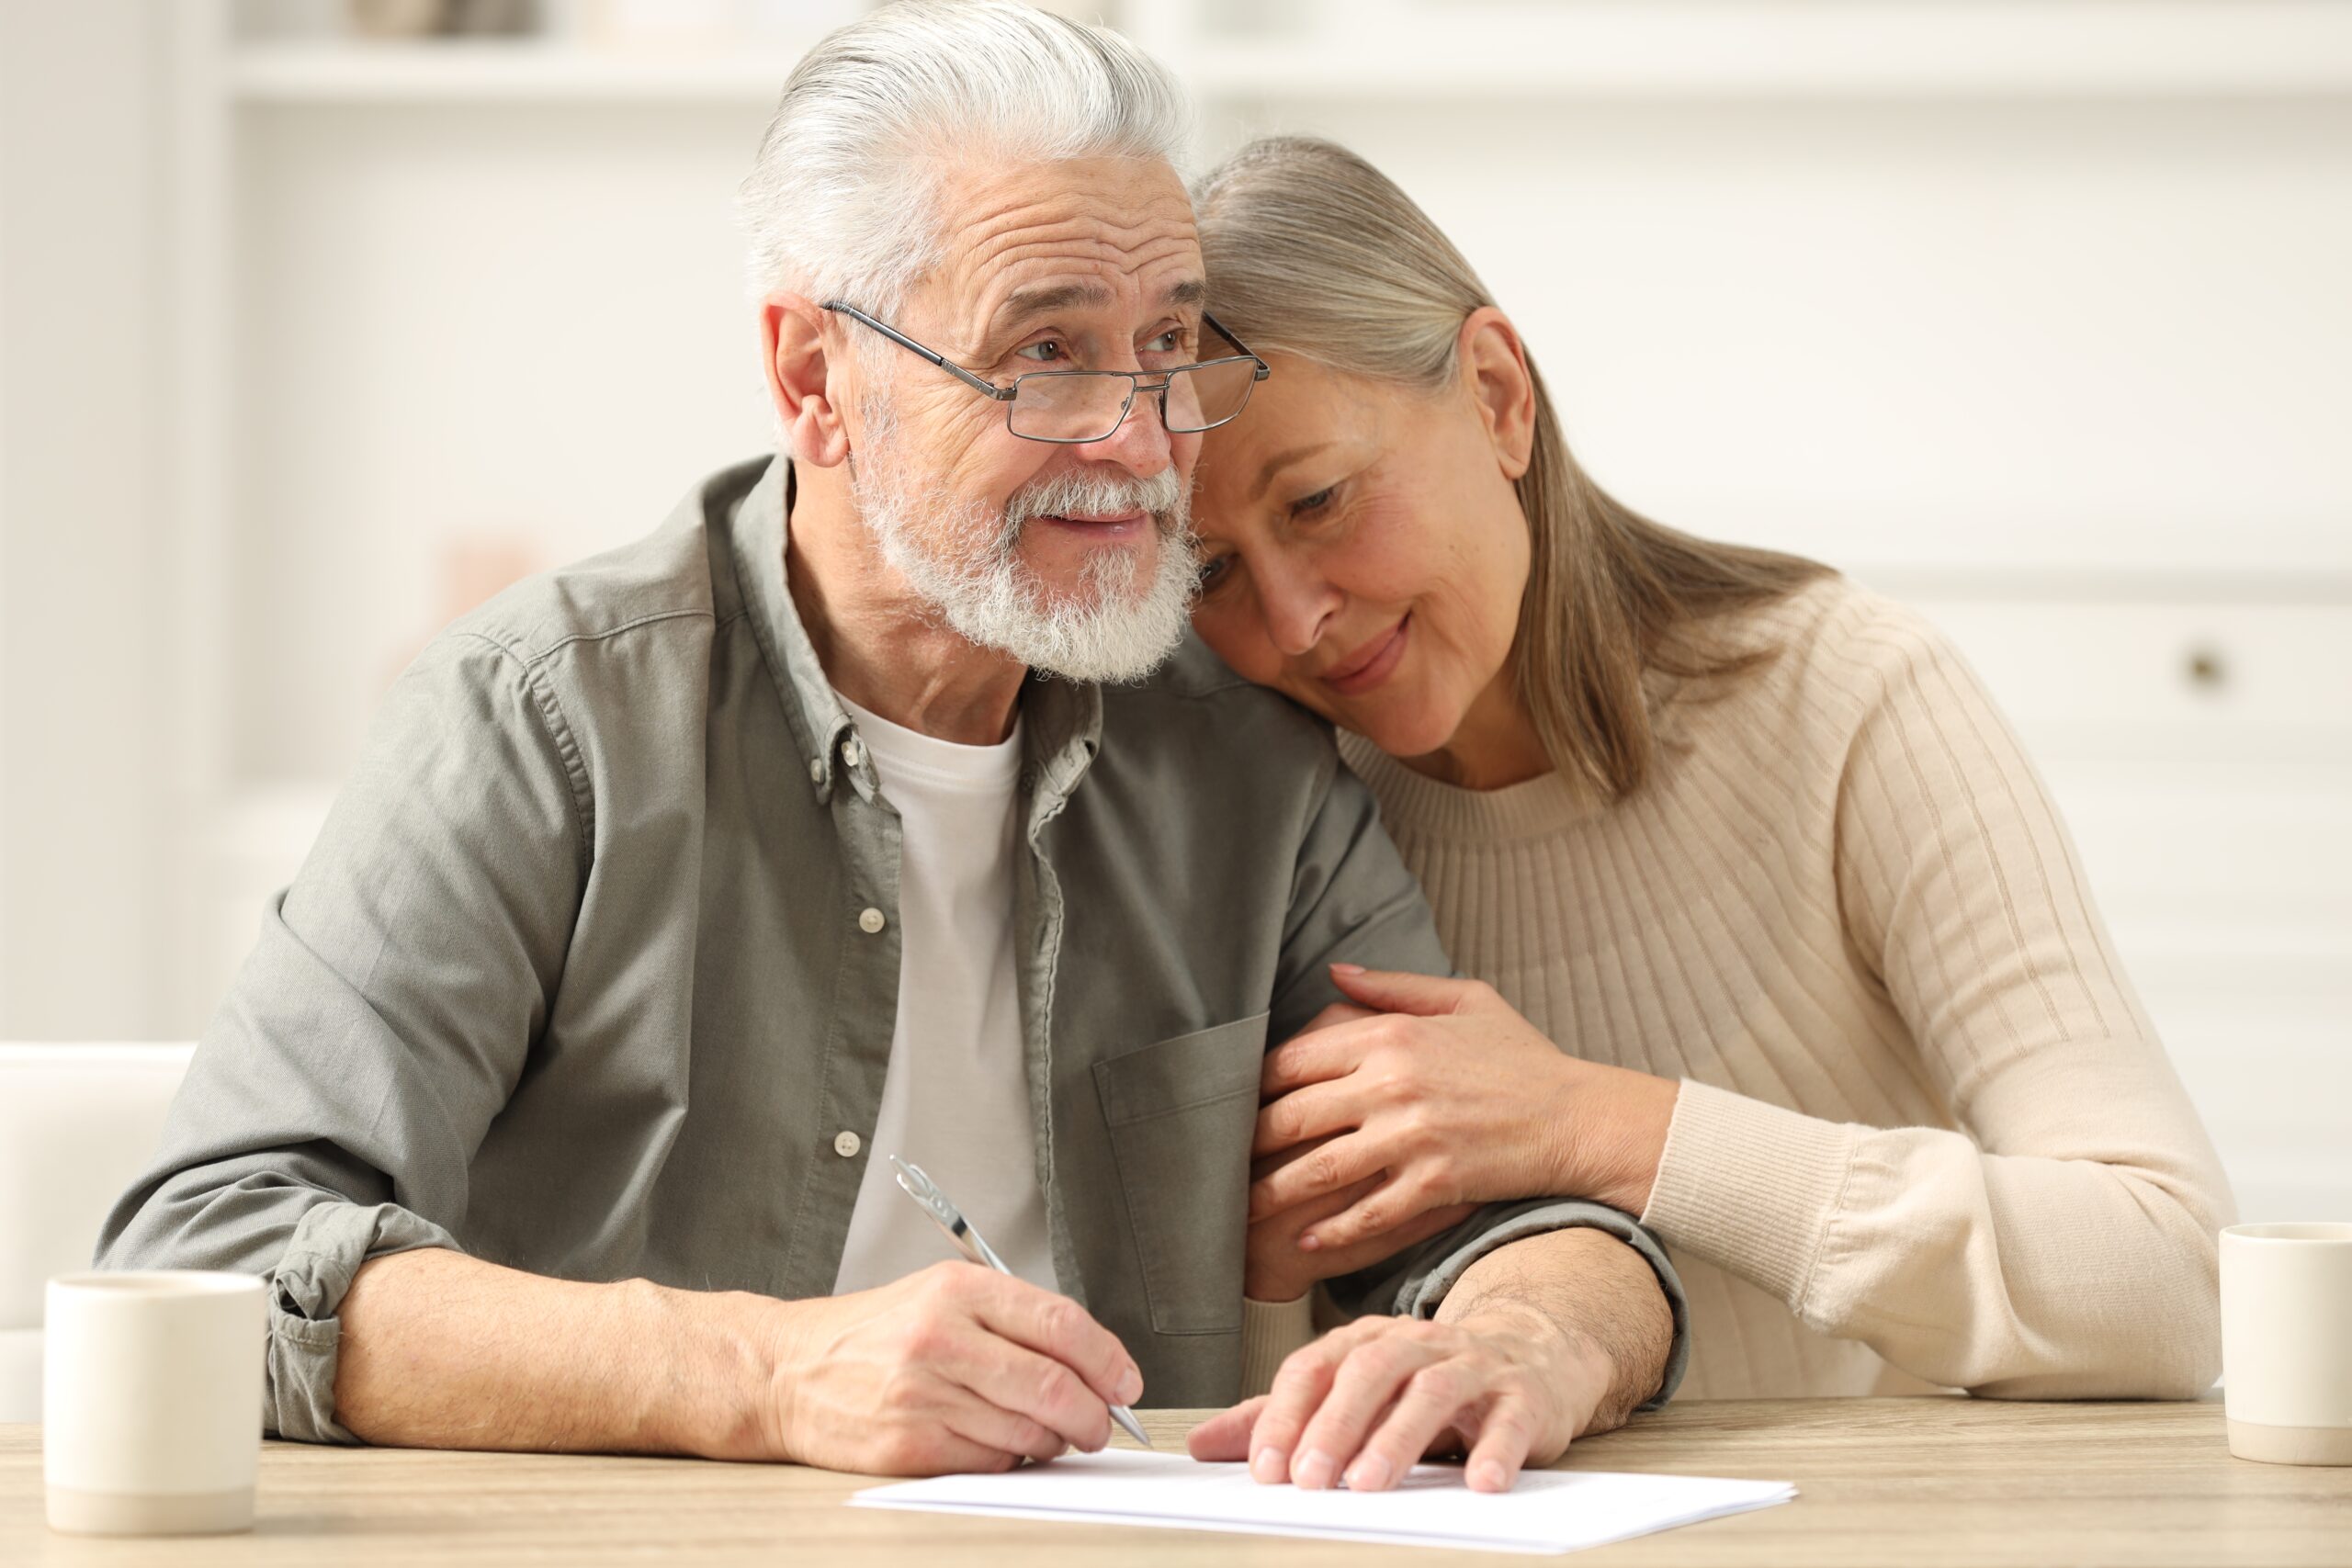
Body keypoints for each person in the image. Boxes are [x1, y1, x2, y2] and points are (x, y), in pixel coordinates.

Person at [97, 6, 1683, 1493]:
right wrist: (761, 1374)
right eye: (1049, 352)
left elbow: (1530, 1225)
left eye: (1171, 343)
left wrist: (1517, 1340)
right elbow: (216, 1255)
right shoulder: (543, 721)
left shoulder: (1245, 760)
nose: (1138, 441)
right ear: (814, 379)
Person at [1182, 136, 2233, 1402]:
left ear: (1497, 397)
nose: (1291, 621)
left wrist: (1597, 1125)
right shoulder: (1266, 827)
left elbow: (2176, 1285)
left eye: (1319, 503)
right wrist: (1260, 1276)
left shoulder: (1848, 701)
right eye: (1211, 572)